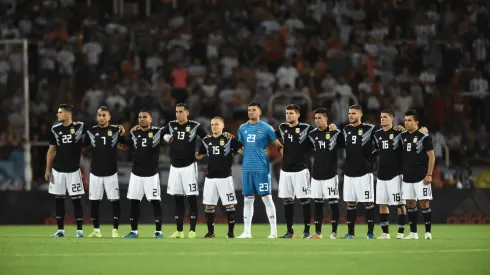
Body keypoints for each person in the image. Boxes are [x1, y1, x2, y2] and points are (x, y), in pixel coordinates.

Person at [236, 102, 283, 238]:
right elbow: (241, 148)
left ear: (260, 112)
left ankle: (273, 232)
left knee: (267, 198)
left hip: (261, 168)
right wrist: (237, 148)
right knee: (247, 199)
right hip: (247, 168)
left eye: (253, 110)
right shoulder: (242, 128)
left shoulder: (267, 128)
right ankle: (246, 232)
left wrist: (286, 154)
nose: (250, 112)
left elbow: (278, 145)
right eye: (249, 110)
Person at [163, 103, 208, 239]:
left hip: (189, 167)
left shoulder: (195, 126)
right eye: (176, 112)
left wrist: (201, 153)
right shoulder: (171, 125)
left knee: (192, 199)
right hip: (175, 167)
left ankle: (192, 231)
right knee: (178, 200)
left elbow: (207, 139)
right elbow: (161, 134)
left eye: (181, 112)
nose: (178, 114)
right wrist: (167, 138)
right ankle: (179, 231)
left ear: (187, 113)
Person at [195, 117, 241, 238]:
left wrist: (235, 140)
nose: (214, 126)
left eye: (217, 124)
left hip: (225, 177)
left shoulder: (228, 138)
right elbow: (199, 156)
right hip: (210, 178)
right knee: (209, 205)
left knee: (229, 205)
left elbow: (241, 150)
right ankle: (211, 233)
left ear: (222, 126)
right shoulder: (206, 140)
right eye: (212, 124)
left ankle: (230, 233)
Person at [84, 106, 126, 238]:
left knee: (114, 201)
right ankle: (96, 230)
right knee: (94, 202)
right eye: (99, 115)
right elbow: (83, 146)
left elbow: (126, 145)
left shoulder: (115, 130)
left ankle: (115, 230)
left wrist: (121, 139)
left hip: (111, 172)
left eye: (104, 115)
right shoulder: (91, 131)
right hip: (95, 172)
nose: (101, 118)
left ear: (109, 117)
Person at [45, 104, 86, 238]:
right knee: (59, 200)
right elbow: (51, 150)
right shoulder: (55, 129)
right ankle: (60, 230)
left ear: (67, 114)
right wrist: (48, 169)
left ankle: (79, 230)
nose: (57, 115)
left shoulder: (80, 127)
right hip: (58, 171)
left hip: (73, 171)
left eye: (60, 112)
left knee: (76, 200)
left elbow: (97, 131)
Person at [122, 110, 163, 238]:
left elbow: (170, 135)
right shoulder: (134, 133)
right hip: (136, 173)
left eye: (145, 117)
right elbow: (126, 144)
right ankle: (134, 231)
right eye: (140, 117)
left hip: (151, 174)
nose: (142, 119)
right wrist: (120, 133)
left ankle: (158, 231)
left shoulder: (158, 132)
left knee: (155, 202)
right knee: (134, 202)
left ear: (151, 120)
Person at [275, 104, 314, 238]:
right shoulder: (282, 128)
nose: (288, 115)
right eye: (287, 113)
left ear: (297, 115)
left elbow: (318, 137)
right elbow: (272, 137)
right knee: (287, 200)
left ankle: (307, 231)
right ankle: (290, 231)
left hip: (301, 169)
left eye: (291, 113)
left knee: (304, 200)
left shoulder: (306, 128)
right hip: (286, 169)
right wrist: (280, 148)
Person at [341, 105, 376, 239]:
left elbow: (382, 141)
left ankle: (370, 233)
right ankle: (351, 233)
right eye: (349, 113)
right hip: (349, 172)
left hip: (364, 172)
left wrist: (370, 159)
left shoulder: (370, 129)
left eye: (354, 113)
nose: (351, 116)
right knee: (350, 203)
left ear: (360, 115)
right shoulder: (346, 129)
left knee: (368, 202)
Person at [308, 108, 343, 239]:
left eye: (320, 118)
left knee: (333, 204)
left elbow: (346, 144)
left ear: (326, 119)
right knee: (318, 204)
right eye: (315, 118)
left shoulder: (335, 133)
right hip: (316, 174)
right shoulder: (312, 135)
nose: (317, 121)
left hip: (330, 174)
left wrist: (337, 131)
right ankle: (318, 232)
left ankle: (334, 232)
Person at [401, 110, 435, 240]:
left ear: (416, 122)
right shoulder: (403, 136)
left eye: (409, 120)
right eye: (405, 120)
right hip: (407, 176)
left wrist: (429, 174)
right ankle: (413, 233)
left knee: (424, 203)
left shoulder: (424, 137)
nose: (407, 123)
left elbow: (431, 157)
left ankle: (427, 232)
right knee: (410, 203)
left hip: (421, 176)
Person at [373, 109, 406, 239]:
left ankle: (401, 232)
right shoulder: (377, 134)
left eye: (385, 117)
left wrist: (405, 131)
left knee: (400, 204)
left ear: (392, 119)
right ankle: (385, 233)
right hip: (381, 174)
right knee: (382, 203)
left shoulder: (399, 133)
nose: (382, 119)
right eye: (381, 117)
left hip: (396, 174)